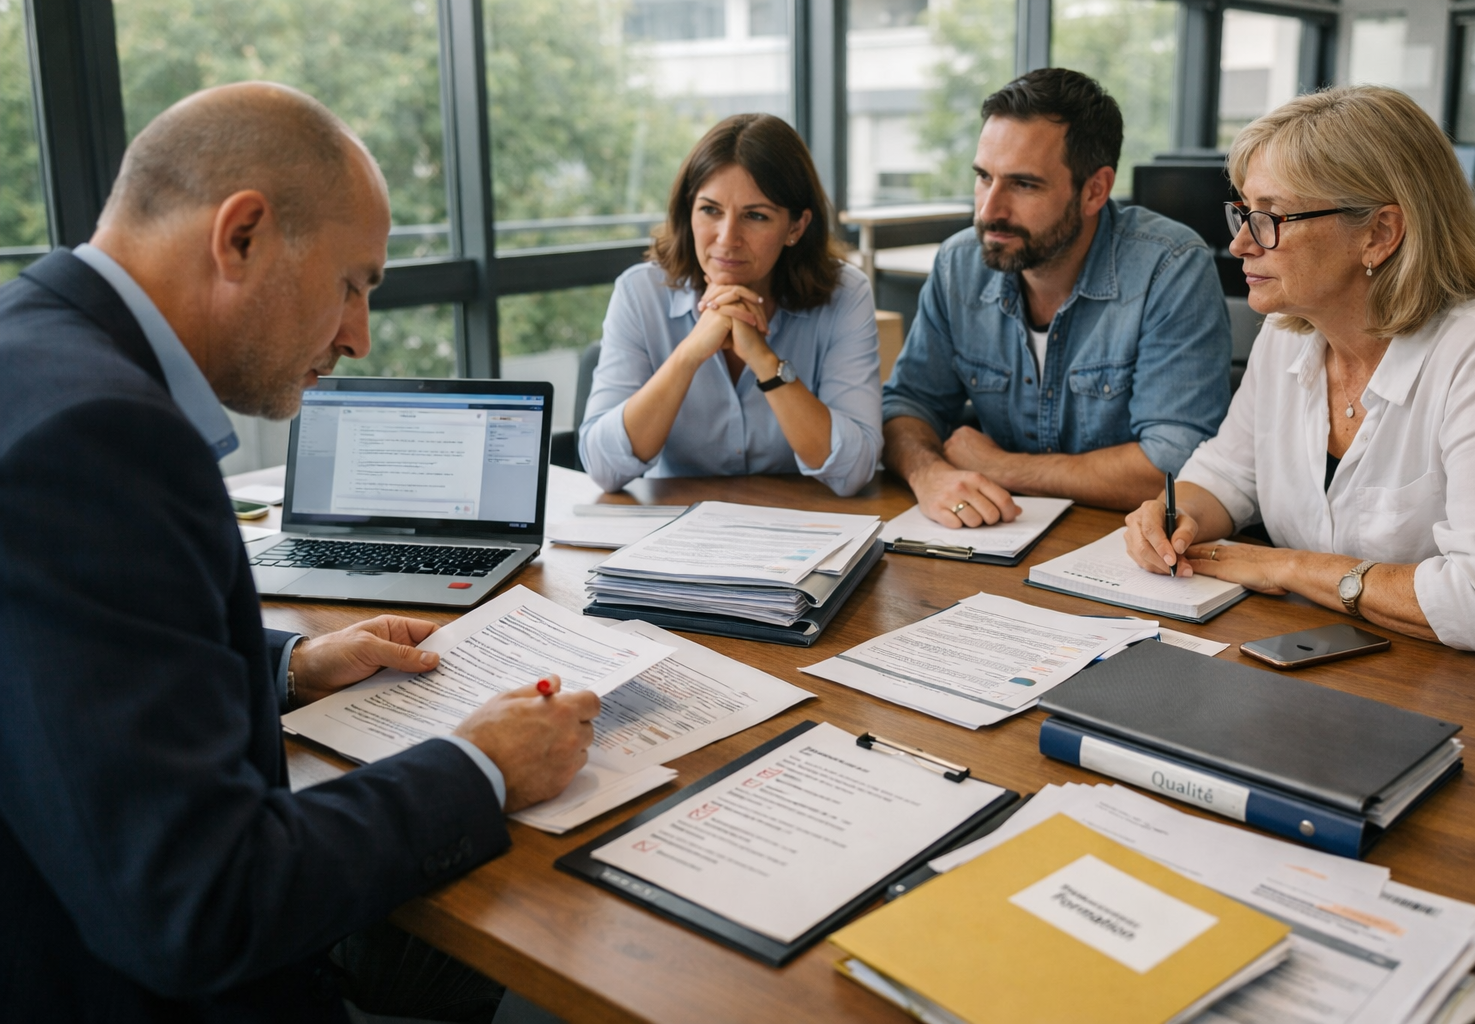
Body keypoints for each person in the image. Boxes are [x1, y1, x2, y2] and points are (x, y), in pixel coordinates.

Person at [0, 83, 600, 1021]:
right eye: (353, 283)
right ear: (241, 235)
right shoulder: (101, 436)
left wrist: (289, 665)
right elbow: (202, 901)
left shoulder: (30, 351)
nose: (357, 334)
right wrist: (479, 765)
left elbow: (58, 667)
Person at [1124, 85, 1475, 659]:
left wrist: (1289, 567)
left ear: (1379, 234)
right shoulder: (1287, 334)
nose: (1241, 243)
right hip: (1307, 661)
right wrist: (1178, 515)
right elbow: (1227, 475)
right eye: (1242, 213)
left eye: (1268, 217)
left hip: (1462, 698)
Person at [882, 68, 1231, 525]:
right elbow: (906, 406)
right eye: (984, 177)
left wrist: (1001, 466)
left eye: (1024, 184)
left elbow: (1174, 466)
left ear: (1095, 190)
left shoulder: (1169, 266)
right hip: (994, 531)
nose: (990, 211)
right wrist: (928, 474)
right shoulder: (959, 264)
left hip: (1127, 546)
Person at [579, 114, 882, 497]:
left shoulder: (845, 294)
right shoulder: (640, 293)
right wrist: (689, 354)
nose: (727, 238)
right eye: (710, 210)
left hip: (802, 528)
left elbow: (853, 470)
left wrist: (763, 360)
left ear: (796, 227)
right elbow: (604, 468)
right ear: (688, 210)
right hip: (678, 532)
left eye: (755, 216)